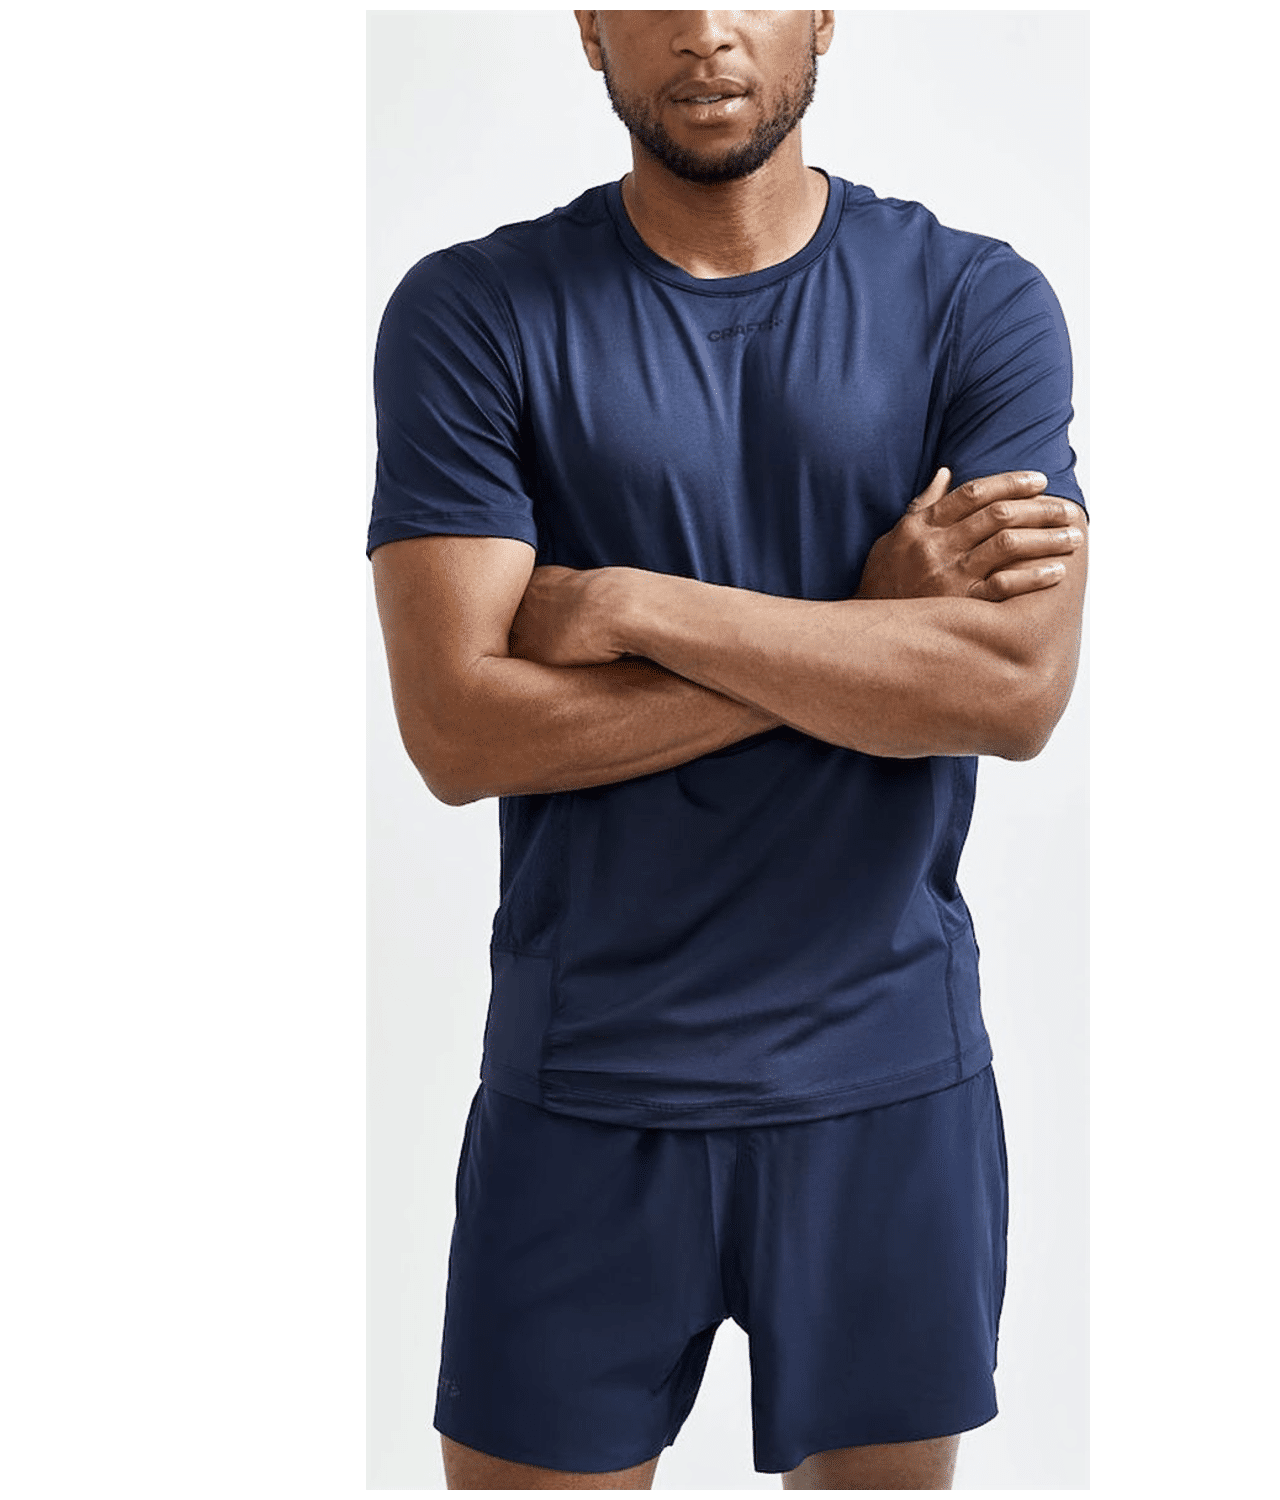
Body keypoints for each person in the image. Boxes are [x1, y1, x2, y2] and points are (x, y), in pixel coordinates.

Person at [369, 11, 1087, 1491]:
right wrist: (867, 635)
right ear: (588, 27)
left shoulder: (974, 301)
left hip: (887, 1076)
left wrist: (632, 606)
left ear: (821, 14)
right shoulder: (475, 312)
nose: (704, 32)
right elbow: (459, 730)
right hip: (587, 1085)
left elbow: (1013, 690)